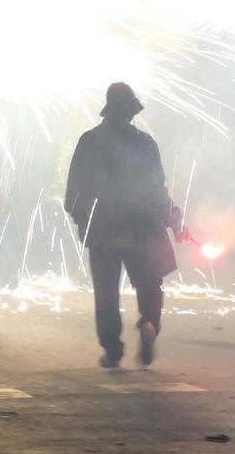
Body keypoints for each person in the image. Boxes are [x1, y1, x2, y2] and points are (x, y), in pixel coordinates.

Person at [65, 82, 179, 368]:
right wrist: (170, 215)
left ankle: (113, 349)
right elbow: (157, 186)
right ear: (131, 112)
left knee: (106, 291)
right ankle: (150, 322)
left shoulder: (89, 140)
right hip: (142, 226)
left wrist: (79, 214)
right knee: (149, 281)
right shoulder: (146, 142)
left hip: (103, 228)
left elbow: (74, 189)